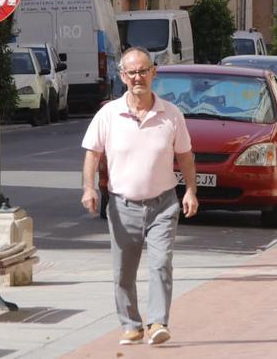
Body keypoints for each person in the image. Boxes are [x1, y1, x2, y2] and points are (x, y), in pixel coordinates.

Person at [81, 47, 198, 346]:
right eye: (131, 72)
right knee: (123, 271)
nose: (138, 77)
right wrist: (89, 188)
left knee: (161, 264)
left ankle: (158, 322)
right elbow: (92, 154)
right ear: (122, 76)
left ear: (154, 73)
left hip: (163, 203)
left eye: (143, 71)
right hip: (122, 205)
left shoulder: (171, 114)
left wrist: (191, 192)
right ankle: (131, 325)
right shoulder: (108, 114)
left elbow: (185, 156)